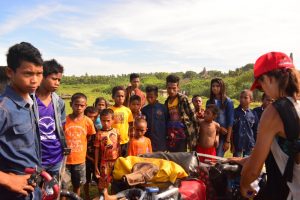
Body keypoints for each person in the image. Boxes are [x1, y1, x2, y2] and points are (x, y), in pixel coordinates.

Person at [235, 52, 300, 199]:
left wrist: (245, 187)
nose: (263, 90)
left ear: (270, 79)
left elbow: (253, 171)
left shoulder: (274, 112)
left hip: (288, 192)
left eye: (261, 84)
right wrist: (246, 160)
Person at [0, 42, 43, 199]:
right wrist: (8, 179)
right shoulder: (4, 109)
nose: (35, 80)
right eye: (28, 74)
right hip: (12, 193)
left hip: (32, 189)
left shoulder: (30, 102)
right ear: (10, 72)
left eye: (39, 73)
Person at [35, 59, 67, 181]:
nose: (57, 83)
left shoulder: (59, 102)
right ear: (42, 77)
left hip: (56, 157)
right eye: (54, 79)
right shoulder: (30, 101)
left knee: (53, 191)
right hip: (37, 159)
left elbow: (61, 128)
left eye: (59, 80)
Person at [63, 93, 96, 197]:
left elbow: (89, 136)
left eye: (82, 105)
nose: (79, 108)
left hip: (80, 161)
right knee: (63, 185)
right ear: (70, 104)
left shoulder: (88, 122)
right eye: (76, 105)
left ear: (85, 106)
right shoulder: (64, 120)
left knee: (77, 185)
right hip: (65, 161)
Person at [164, 74, 198, 152]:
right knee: (172, 157)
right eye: (169, 88)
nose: (171, 91)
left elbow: (194, 117)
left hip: (183, 134)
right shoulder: (166, 102)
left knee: (181, 156)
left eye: (174, 88)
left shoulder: (184, 99)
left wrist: (195, 137)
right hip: (171, 135)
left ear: (178, 88)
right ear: (166, 88)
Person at [206, 78, 234, 157]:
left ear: (222, 87)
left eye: (217, 86)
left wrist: (227, 141)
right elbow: (208, 118)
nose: (215, 88)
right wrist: (219, 127)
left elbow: (230, 122)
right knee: (209, 158)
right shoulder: (209, 101)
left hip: (223, 136)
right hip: (211, 133)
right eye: (213, 86)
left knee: (217, 159)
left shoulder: (228, 102)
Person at [94, 109, 120, 192]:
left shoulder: (116, 132)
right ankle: (103, 197)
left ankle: (112, 196)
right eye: (103, 121)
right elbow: (97, 150)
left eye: (108, 121)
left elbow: (119, 146)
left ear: (113, 120)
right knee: (103, 183)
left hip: (116, 161)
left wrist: (119, 160)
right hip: (104, 162)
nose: (105, 123)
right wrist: (96, 165)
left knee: (115, 181)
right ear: (100, 120)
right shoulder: (99, 133)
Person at [232, 90, 258, 157]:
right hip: (237, 145)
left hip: (249, 145)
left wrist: (254, 145)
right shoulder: (234, 112)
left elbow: (256, 131)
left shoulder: (253, 114)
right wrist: (232, 145)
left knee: (247, 165)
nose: (242, 99)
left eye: (245, 98)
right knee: (236, 165)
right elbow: (231, 130)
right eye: (241, 97)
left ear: (251, 100)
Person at [141, 85, 168, 152]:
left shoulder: (163, 108)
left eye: (151, 97)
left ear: (156, 96)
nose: (149, 99)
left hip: (160, 142)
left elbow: (167, 123)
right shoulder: (144, 110)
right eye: (148, 97)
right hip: (148, 141)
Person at [110, 86, 133, 157]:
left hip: (125, 141)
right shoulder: (110, 110)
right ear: (113, 97)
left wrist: (130, 139)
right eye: (118, 96)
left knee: (124, 161)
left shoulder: (127, 110)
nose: (120, 98)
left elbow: (131, 125)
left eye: (122, 96)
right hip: (112, 141)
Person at [84, 106, 99, 200]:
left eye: (94, 117)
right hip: (85, 158)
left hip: (96, 159)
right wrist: (88, 157)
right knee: (86, 179)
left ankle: (100, 196)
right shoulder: (83, 129)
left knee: (98, 179)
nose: (92, 119)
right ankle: (86, 196)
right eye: (90, 117)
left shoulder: (98, 130)